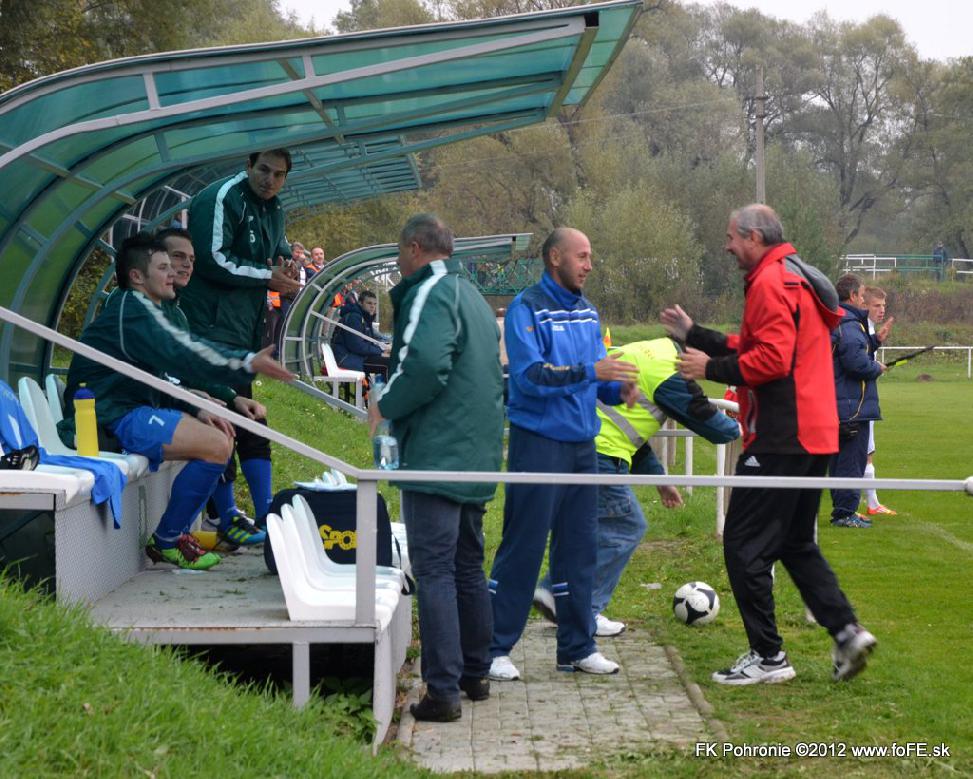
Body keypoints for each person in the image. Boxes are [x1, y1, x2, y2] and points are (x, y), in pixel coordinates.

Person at [661, 203, 877, 685]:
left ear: (754, 236)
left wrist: (708, 369)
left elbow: (773, 362)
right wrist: (698, 335)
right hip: (816, 432)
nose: (727, 245)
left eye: (732, 237)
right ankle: (846, 631)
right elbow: (765, 345)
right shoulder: (797, 276)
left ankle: (768, 656)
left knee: (741, 544)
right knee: (795, 541)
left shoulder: (769, 281)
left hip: (783, 435)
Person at [56, 235, 293, 569]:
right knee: (215, 444)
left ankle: (180, 533)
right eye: (163, 267)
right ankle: (170, 539)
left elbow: (162, 372)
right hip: (105, 416)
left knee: (220, 436)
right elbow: (183, 355)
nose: (173, 273)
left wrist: (205, 403)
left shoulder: (148, 307)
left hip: (130, 408)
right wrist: (247, 362)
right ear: (138, 277)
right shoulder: (131, 308)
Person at [368, 214, 504, 723]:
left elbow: (423, 365)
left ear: (415, 248)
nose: (399, 266)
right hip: (475, 452)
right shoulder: (472, 295)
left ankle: (441, 690)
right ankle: (476, 673)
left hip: (436, 452)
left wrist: (387, 406)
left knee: (435, 571)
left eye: (400, 255)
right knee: (469, 565)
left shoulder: (429, 289)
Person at [488, 227, 638, 682]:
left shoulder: (588, 312)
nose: (589, 265)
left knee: (580, 551)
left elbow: (595, 380)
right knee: (524, 546)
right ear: (555, 257)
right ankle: (494, 647)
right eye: (582, 256)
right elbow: (530, 376)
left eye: (591, 257)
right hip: (539, 443)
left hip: (581, 445)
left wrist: (617, 387)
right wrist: (591, 371)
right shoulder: (526, 308)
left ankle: (577, 646)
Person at [532, 337, 741, 636]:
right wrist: (744, 424)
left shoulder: (645, 351)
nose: (709, 372)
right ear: (693, 353)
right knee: (624, 528)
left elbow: (626, 419)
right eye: (710, 365)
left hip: (569, 443)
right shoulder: (670, 372)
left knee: (586, 530)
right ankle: (577, 605)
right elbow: (715, 428)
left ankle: (560, 596)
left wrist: (660, 480)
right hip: (599, 452)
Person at [181, 149, 301, 539]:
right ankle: (225, 513)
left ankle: (267, 515)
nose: (270, 179)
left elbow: (277, 247)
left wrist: (285, 262)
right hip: (209, 328)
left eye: (279, 174)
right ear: (248, 166)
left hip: (244, 328)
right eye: (264, 170)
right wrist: (266, 276)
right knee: (223, 417)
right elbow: (212, 259)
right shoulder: (221, 197)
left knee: (251, 417)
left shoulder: (274, 206)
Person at [156, 226, 271, 546]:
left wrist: (231, 397)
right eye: (176, 257)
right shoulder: (140, 309)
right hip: (134, 407)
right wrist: (195, 400)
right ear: (153, 261)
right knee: (218, 432)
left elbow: (189, 367)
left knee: (248, 417)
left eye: (190, 259)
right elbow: (150, 374)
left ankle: (266, 513)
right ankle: (213, 519)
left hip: (161, 398)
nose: (185, 266)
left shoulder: (173, 310)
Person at [829, 274, 887, 528]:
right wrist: (876, 367)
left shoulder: (841, 320)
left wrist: (874, 342)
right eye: (862, 295)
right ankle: (845, 514)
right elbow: (854, 363)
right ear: (852, 296)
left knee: (841, 461)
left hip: (841, 405)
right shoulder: (850, 323)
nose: (864, 299)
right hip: (852, 408)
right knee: (851, 462)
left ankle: (843, 510)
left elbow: (848, 352)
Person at [862, 286, 896, 516]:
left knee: (866, 451)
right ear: (864, 304)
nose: (882, 310)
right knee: (864, 452)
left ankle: (870, 503)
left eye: (884, 305)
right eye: (877, 305)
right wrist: (875, 368)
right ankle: (870, 504)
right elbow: (857, 363)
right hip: (859, 402)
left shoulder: (869, 329)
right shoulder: (860, 329)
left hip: (863, 399)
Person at [331, 289, 390, 382]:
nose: (372, 306)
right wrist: (380, 352)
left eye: (374, 304)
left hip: (354, 356)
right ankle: (388, 395)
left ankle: (380, 391)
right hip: (347, 358)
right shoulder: (354, 318)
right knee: (389, 363)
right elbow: (356, 346)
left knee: (388, 359)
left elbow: (367, 341)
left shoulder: (362, 317)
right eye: (369, 303)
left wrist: (382, 349)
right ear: (360, 303)